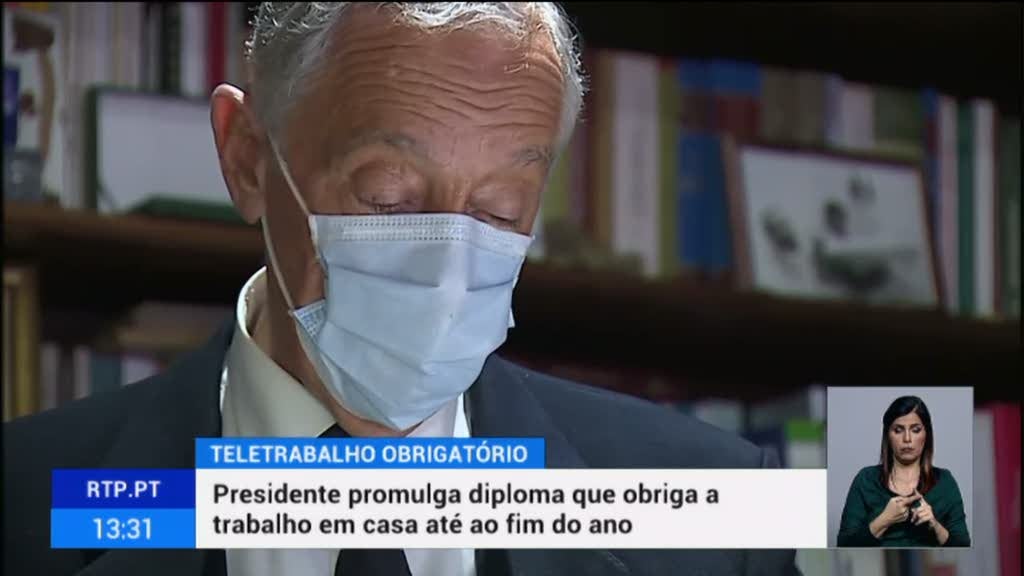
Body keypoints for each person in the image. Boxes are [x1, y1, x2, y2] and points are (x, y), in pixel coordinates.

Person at [3, 3, 801, 575]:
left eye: (500, 209)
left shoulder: (714, 522)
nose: (446, 269)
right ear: (247, 159)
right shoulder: (30, 502)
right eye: (386, 195)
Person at [837, 395, 971, 548]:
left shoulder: (944, 481)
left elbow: (963, 545)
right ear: (888, 435)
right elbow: (844, 544)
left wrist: (934, 524)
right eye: (898, 430)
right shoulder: (866, 479)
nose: (907, 439)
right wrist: (884, 519)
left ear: (926, 434)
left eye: (915, 430)